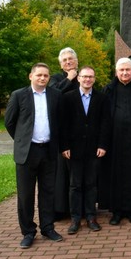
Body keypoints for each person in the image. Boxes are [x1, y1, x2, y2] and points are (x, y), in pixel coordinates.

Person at [5, 63, 63, 249]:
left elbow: (59, 122)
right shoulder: (18, 95)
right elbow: (9, 122)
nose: (42, 78)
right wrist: (22, 141)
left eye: (46, 75)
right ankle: (28, 232)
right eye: (39, 75)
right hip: (27, 153)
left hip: (48, 151)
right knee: (25, 195)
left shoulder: (56, 95)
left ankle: (48, 228)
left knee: (48, 192)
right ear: (31, 76)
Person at [60, 66, 111, 234]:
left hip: (94, 149)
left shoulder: (102, 98)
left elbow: (106, 123)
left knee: (91, 184)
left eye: (90, 77)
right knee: (75, 185)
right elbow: (63, 124)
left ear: (94, 79)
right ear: (78, 78)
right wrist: (65, 146)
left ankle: (91, 217)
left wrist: (103, 145)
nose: (87, 79)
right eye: (84, 76)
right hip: (73, 150)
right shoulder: (68, 98)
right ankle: (75, 219)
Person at [102, 58, 131, 225]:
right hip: (114, 140)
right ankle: (117, 212)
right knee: (116, 175)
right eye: (121, 70)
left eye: (127, 70)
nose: (124, 73)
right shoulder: (108, 89)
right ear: (116, 72)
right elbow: (103, 115)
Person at [48, 47, 80, 217]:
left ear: (77, 61)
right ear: (61, 64)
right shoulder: (56, 78)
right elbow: (53, 94)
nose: (68, 62)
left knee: (79, 173)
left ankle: (80, 208)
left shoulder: (84, 76)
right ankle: (60, 209)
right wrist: (69, 78)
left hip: (81, 132)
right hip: (62, 133)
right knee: (61, 174)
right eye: (64, 60)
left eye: (70, 59)